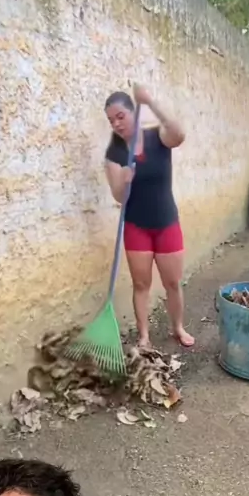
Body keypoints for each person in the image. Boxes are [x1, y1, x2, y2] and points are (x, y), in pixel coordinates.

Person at [104, 83, 195, 349]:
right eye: (111, 120)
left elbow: (179, 134)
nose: (116, 124)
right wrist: (124, 182)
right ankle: (144, 335)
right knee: (141, 284)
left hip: (166, 222)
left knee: (172, 282)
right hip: (137, 226)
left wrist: (151, 101)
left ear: (133, 112)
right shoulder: (115, 153)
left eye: (120, 116)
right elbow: (119, 197)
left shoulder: (158, 137)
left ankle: (177, 327)